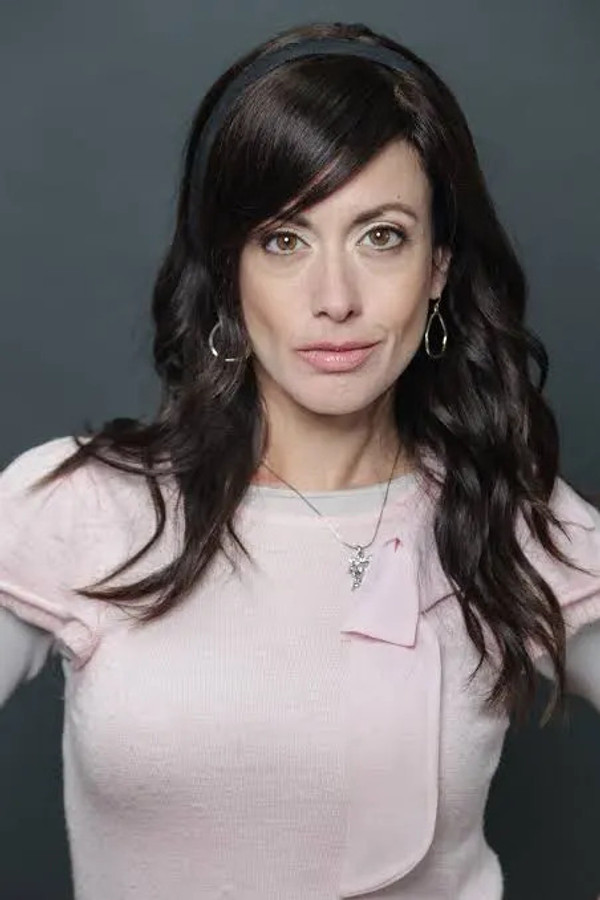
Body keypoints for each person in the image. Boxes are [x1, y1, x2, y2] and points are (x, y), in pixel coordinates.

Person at [0, 19, 599, 900]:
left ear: (437, 266)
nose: (335, 298)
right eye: (284, 240)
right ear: (229, 270)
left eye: (381, 236)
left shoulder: (506, 515)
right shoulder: (87, 505)